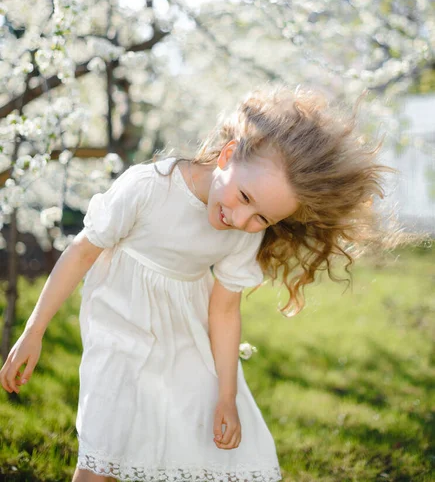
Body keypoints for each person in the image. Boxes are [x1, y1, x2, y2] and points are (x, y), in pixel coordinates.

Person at [0, 84, 394, 482]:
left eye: (263, 218)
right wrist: (34, 331)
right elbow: (82, 252)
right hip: (119, 326)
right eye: (244, 196)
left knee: (191, 439)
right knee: (107, 441)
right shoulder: (148, 188)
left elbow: (224, 310)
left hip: (185, 335)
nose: (242, 220)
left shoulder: (243, 232)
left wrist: (227, 396)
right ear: (226, 156)